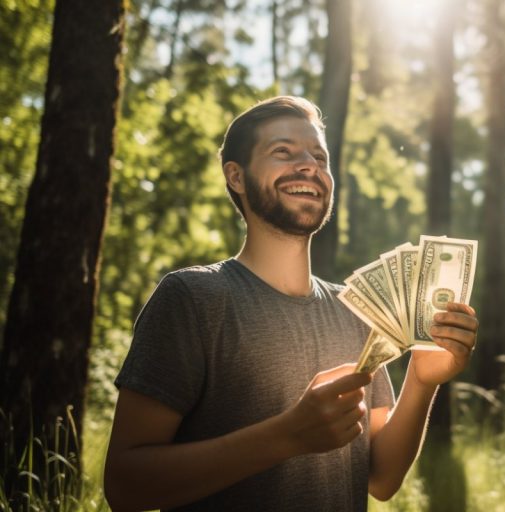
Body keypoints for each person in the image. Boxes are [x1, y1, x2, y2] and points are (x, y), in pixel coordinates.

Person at [103, 95, 479, 511]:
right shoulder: (192, 299)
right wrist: (286, 437)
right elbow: (125, 486)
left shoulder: (357, 310)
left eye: (320, 157)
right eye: (283, 152)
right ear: (236, 177)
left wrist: (423, 381)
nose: (309, 165)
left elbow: (382, 477)